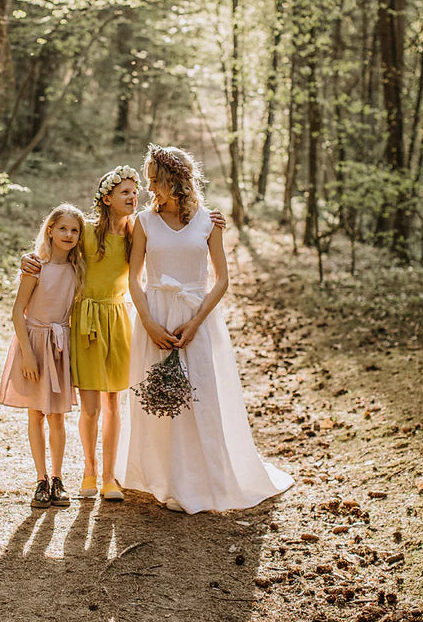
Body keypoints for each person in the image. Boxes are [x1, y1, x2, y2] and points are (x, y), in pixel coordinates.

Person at [21, 163, 227, 503]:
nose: (134, 196)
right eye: (125, 192)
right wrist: (29, 260)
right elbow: (55, 247)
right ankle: (88, 471)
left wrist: (211, 218)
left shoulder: (137, 230)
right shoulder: (86, 232)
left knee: (114, 403)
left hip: (118, 318)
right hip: (87, 319)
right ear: (107, 198)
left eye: (135, 191)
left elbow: (173, 236)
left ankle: (109, 476)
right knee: (90, 407)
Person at [116, 144, 294, 514]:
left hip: (196, 317)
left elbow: (222, 279)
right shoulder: (144, 222)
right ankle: (162, 478)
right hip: (155, 315)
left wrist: (196, 322)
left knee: (199, 396)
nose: (150, 188)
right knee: (158, 399)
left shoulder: (209, 222)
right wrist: (148, 322)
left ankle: (200, 480)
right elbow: (134, 278)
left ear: (174, 179)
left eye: (155, 180)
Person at [0, 204, 85, 509]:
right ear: (50, 230)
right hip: (34, 344)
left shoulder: (78, 269)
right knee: (35, 413)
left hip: (59, 346)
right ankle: (41, 479)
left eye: (74, 230)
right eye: (62, 228)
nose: (68, 235)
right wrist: (27, 354)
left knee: (57, 416)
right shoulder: (36, 266)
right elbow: (17, 312)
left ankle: (58, 479)